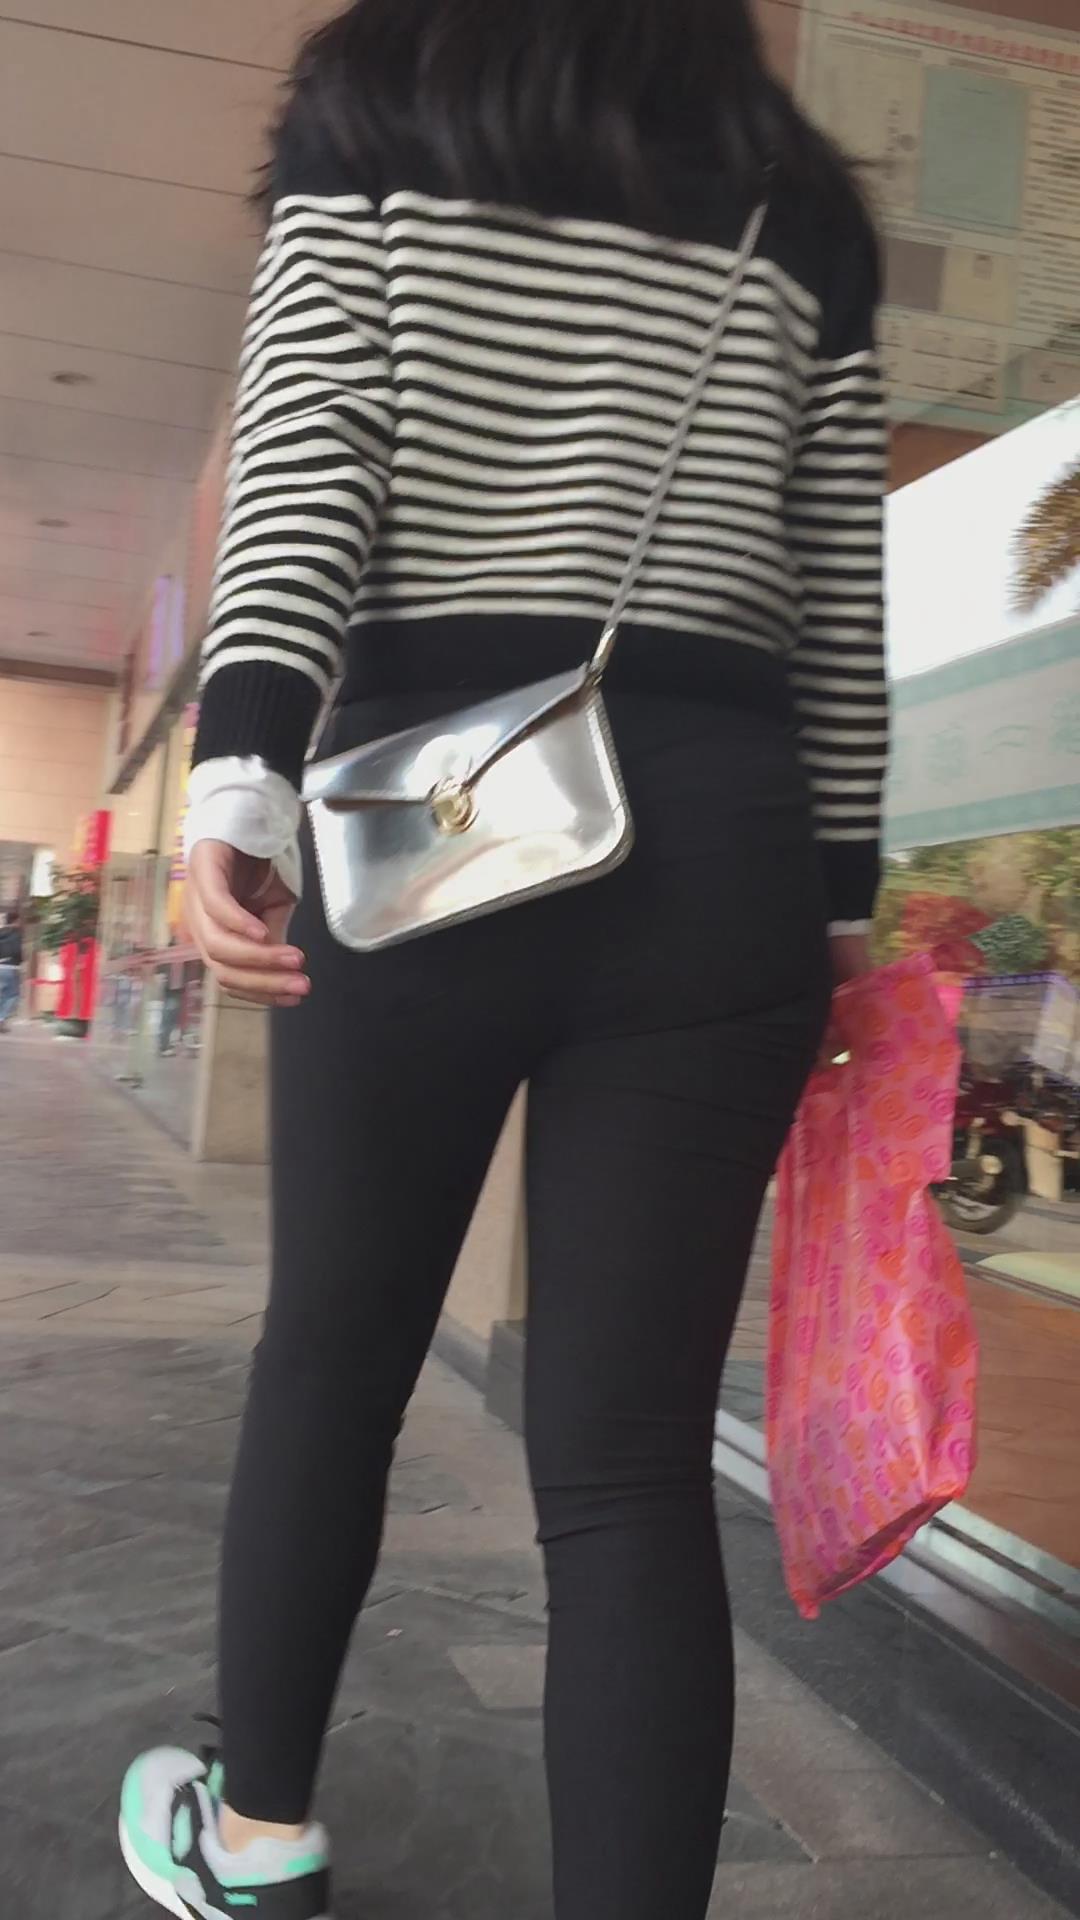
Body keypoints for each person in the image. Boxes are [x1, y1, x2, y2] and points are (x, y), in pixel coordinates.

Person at [120, 3, 888, 1916]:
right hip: (721, 840)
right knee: (628, 1466)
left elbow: (313, 453)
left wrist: (243, 776)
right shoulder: (793, 193)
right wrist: (840, 905)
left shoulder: (382, 109)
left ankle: (259, 1842)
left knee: (335, 1357)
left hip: (428, 813)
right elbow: (837, 592)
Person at [0, 909, 23, 1031]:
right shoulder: (15, 934)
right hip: (11, 967)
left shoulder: (1, 933)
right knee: (13, 995)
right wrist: (20, 961)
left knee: (3, 995)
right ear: (16, 920)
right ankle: (1, 1018)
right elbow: (16, 951)